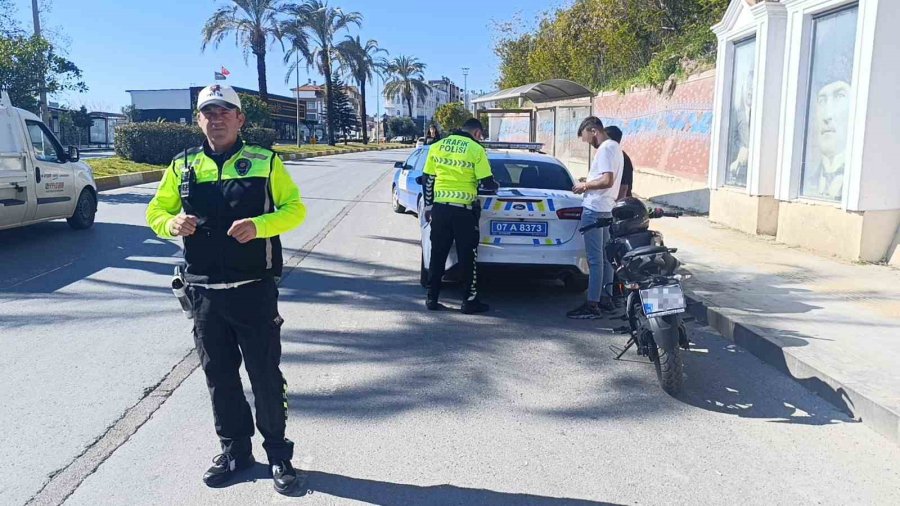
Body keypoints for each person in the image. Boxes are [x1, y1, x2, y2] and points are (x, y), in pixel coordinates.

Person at [145, 84, 306, 494]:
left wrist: (261, 226)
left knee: (264, 375)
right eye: (208, 113)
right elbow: (156, 211)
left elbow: (295, 209)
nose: (216, 120)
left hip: (254, 289)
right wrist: (171, 224)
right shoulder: (183, 164)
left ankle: (278, 454)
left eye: (224, 113)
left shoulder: (265, 162)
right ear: (198, 120)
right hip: (204, 293)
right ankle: (236, 451)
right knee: (220, 376)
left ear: (240, 119)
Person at [422, 118, 498, 314]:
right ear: (477, 134)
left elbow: (427, 179)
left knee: (437, 254)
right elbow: (486, 183)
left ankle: (432, 298)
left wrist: (429, 207)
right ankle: (469, 302)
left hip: (440, 210)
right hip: (464, 212)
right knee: (467, 257)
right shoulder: (475, 149)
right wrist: (495, 185)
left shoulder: (436, 146)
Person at [567, 116, 624, 319]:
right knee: (605, 258)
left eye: (587, 138)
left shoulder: (606, 148)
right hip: (606, 208)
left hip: (594, 209)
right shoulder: (616, 148)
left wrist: (584, 186)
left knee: (595, 260)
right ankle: (606, 298)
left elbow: (607, 180)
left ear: (593, 130)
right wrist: (591, 180)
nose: (588, 143)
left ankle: (592, 303)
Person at [604, 126, 634, 200]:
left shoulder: (622, 158)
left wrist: (616, 208)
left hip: (617, 204)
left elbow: (623, 188)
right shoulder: (611, 155)